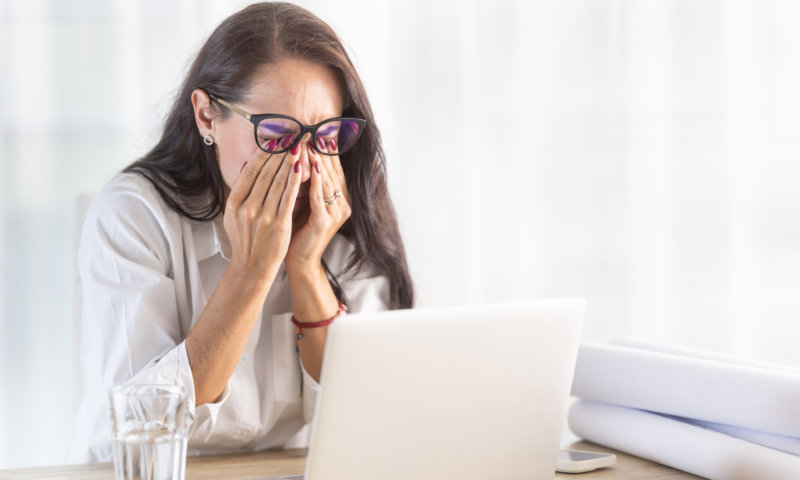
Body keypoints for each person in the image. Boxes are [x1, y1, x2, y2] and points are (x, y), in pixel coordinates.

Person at [69, 2, 413, 463]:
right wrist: (252, 268)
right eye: (276, 133)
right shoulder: (134, 214)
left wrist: (306, 267)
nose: (304, 163)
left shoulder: (345, 212)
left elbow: (372, 412)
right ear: (207, 115)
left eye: (325, 135)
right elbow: (144, 421)